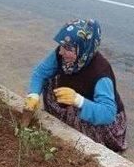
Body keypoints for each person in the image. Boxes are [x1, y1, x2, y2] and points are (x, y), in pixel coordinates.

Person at [24, 19, 127, 152]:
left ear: (83, 48)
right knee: (49, 81)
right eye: (61, 46)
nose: (61, 52)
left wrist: (79, 100)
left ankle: (81, 140)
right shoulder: (62, 54)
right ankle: (65, 121)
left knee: (84, 119)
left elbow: (108, 114)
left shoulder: (101, 72)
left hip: (105, 119)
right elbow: (40, 73)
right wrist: (33, 94)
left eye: (67, 48)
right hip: (78, 98)